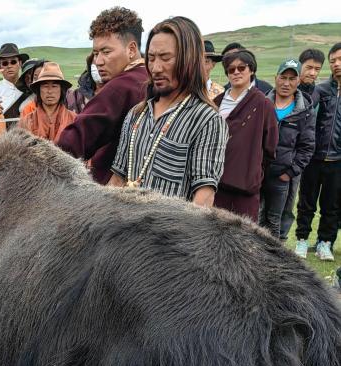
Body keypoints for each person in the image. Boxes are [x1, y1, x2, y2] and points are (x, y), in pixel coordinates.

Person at [109, 16, 227, 205]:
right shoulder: (136, 115)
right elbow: (117, 180)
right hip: (124, 232)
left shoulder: (207, 120)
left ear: (188, 60)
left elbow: (203, 200)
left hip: (168, 234)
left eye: (165, 58)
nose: (155, 68)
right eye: (151, 58)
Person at [57, 7, 148, 185]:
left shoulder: (121, 86)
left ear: (131, 49)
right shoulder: (149, 78)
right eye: (96, 53)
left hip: (117, 195)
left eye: (106, 52)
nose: (98, 61)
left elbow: (74, 141)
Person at [213, 50, 278, 220]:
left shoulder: (263, 104)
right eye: (230, 69)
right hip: (216, 181)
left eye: (241, 68)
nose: (236, 72)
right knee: (215, 232)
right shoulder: (216, 103)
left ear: (252, 70)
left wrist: (255, 172)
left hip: (247, 184)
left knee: (245, 235)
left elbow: (270, 146)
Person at [259, 59, 315, 240]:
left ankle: (273, 261)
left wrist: (290, 172)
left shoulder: (304, 111)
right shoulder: (262, 104)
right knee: (255, 217)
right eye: (283, 77)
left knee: (275, 220)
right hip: (258, 173)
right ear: (276, 78)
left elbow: (307, 147)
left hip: (282, 176)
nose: (286, 83)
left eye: (292, 79)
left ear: (298, 81)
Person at [295, 42, 341, 262]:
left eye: (340, 60)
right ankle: (302, 240)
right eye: (333, 61)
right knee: (306, 202)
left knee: (332, 206)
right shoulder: (321, 90)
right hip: (314, 157)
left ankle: (325, 243)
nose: (337, 65)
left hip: (338, 161)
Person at [19, 62, 76, 143]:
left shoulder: (74, 119)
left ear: (61, 90)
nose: (50, 91)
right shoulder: (26, 122)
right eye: (45, 86)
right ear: (39, 90)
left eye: (54, 86)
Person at [0, 43, 28, 118]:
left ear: (20, 63)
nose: (9, 66)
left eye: (13, 62)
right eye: (5, 63)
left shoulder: (29, 89)